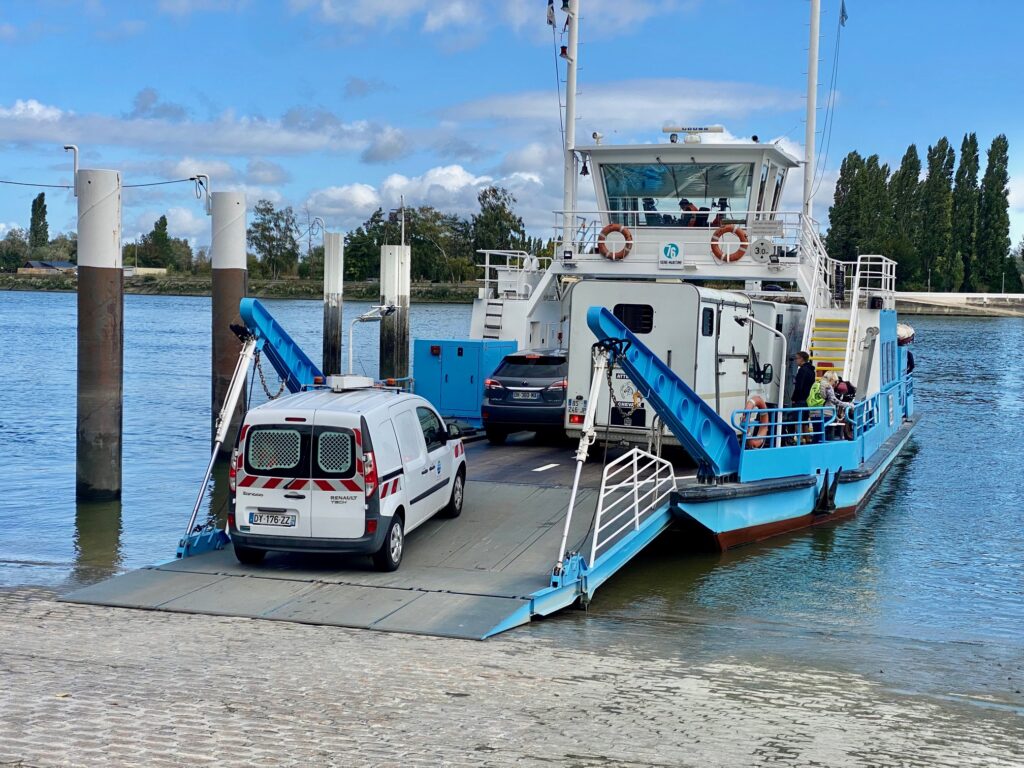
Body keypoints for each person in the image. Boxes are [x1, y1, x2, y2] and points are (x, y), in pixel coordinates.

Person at [787, 351, 815, 443]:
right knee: (804, 421)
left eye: (797, 358)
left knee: (797, 420)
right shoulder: (811, 370)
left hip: (800, 399)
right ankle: (807, 440)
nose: (795, 361)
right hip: (807, 399)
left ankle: (799, 441)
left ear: (801, 359)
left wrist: (794, 398)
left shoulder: (802, 370)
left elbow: (799, 386)